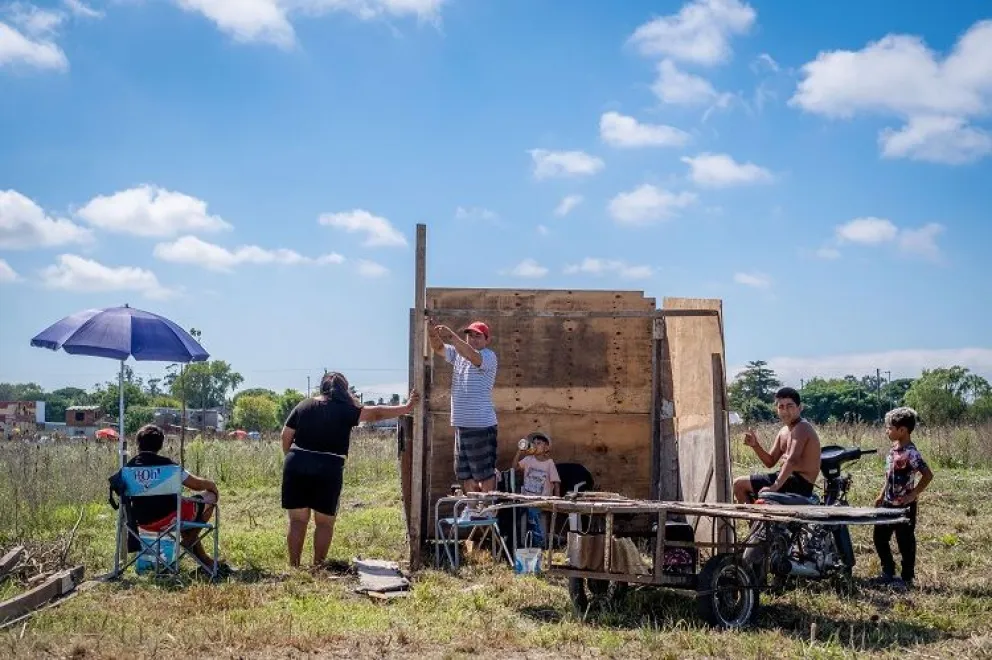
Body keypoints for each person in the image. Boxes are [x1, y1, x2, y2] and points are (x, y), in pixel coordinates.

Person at [280, 371, 419, 569]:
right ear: (344, 389)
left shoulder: (304, 405)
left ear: (322, 387)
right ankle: (317, 567)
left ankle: (294, 567)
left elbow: (286, 435)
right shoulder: (346, 409)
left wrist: (292, 459)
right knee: (324, 523)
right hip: (329, 467)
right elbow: (377, 413)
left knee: (297, 521)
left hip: (296, 461)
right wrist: (406, 407)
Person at [125, 424, 231, 575]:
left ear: (138, 443)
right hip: (171, 519)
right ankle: (191, 539)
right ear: (160, 444)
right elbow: (196, 485)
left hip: (140, 522)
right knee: (210, 497)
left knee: (185, 512)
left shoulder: (128, 469)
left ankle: (203, 556)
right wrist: (212, 485)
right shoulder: (169, 467)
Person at [428, 319, 499, 495]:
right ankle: (474, 509)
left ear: (487, 340)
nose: (473, 339)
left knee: (484, 474)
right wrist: (432, 333)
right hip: (462, 424)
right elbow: (438, 348)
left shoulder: (488, 356)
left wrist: (452, 336)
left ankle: (486, 509)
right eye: (470, 335)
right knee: (465, 473)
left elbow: (472, 356)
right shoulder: (459, 354)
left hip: (481, 424)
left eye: (478, 336)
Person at [872, 406, 933, 591]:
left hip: (904, 507)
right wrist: (882, 494)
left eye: (890, 428)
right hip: (888, 503)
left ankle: (906, 577)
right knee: (879, 537)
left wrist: (913, 494)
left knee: (905, 541)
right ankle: (888, 570)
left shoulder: (911, 453)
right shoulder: (893, 450)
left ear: (902, 430)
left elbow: (927, 475)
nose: (887, 431)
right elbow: (889, 476)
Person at [733, 387, 822, 503]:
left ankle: (753, 520)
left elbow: (792, 460)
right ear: (777, 410)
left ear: (800, 408)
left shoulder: (802, 427)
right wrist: (755, 445)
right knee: (741, 484)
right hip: (785, 479)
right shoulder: (783, 431)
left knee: (739, 484)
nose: (785, 411)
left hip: (799, 483)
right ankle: (757, 520)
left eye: (790, 406)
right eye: (781, 407)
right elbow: (770, 462)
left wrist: (774, 487)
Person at [512, 432, 560, 548]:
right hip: (527, 499)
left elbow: (556, 482)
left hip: (542, 499)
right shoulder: (528, 459)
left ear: (546, 447)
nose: (535, 445)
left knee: (535, 514)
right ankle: (526, 542)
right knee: (522, 513)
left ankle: (538, 543)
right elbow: (514, 467)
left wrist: (557, 500)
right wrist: (520, 451)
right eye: (534, 443)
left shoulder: (549, 464)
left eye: (539, 443)